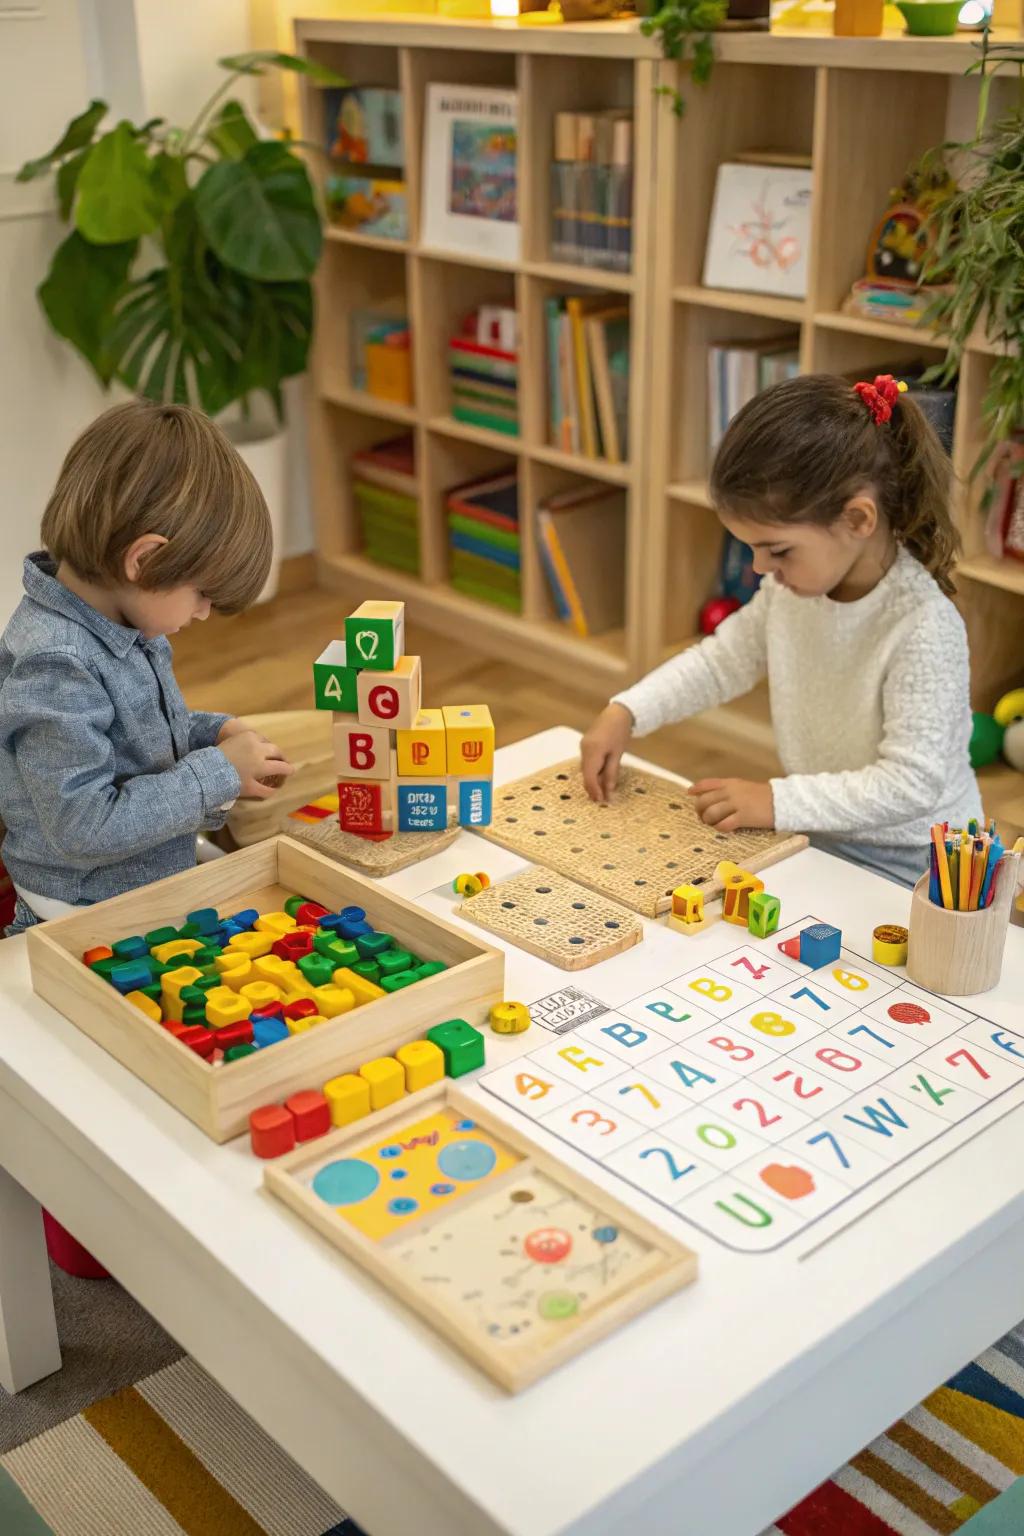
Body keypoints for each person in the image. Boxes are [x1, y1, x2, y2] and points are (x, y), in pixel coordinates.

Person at [581, 373, 980, 888]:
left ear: (858, 519)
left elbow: (910, 784)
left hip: (919, 865)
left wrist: (773, 799)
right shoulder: (792, 591)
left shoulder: (924, 627)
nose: (760, 568)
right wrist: (628, 710)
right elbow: (723, 661)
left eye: (778, 549)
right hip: (820, 833)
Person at [0, 400, 293, 934]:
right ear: (145, 560)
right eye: (202, 593)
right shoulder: (56, 663)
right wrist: (219, 771)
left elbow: (131, 728)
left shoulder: (119, 618)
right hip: (87, 913)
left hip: (143, 876)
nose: (204, 612)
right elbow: (85, 827)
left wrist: (214, 732)